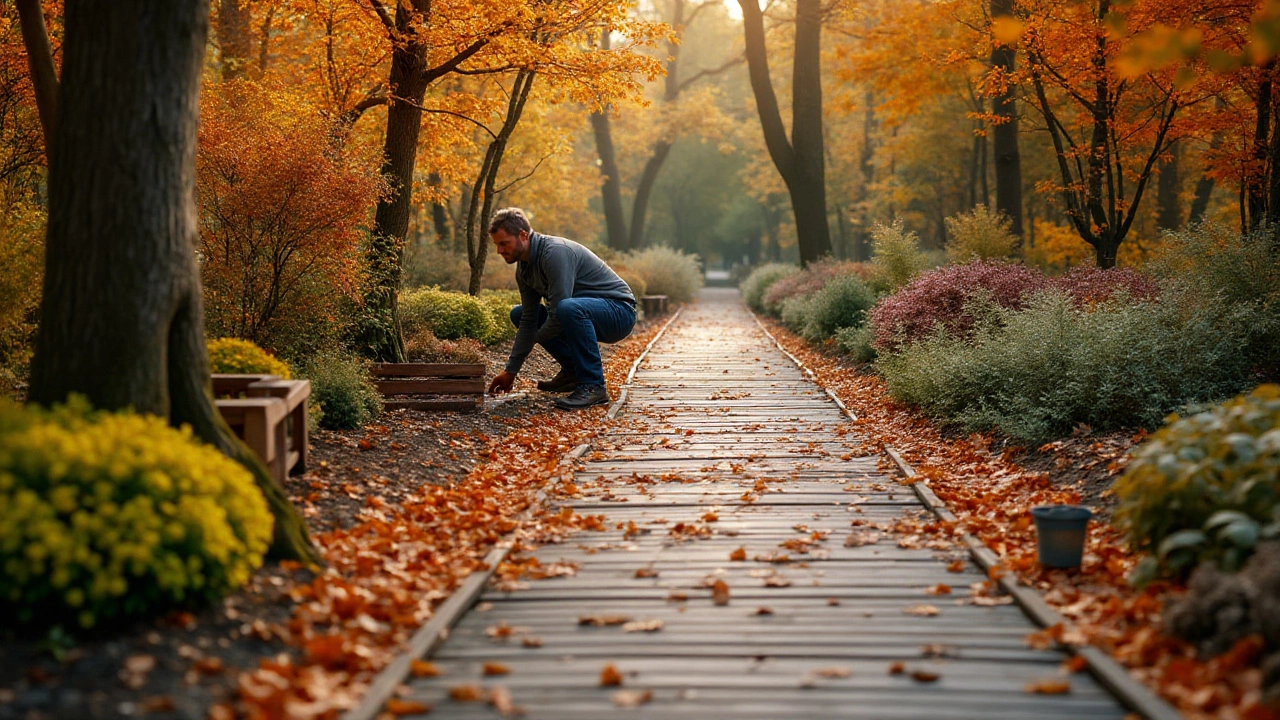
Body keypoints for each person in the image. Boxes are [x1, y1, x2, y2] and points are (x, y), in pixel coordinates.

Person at [485, 207, 637, 410]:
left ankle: (593, 385)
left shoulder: (555, 253)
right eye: (497, 245)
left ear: (523, 235)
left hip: (619, 312)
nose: (500, 251)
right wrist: (510, 371)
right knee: (519, 313)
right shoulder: (524, 269)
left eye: (504, 243)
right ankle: (573, 372)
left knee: (567, 308)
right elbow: (529, 319)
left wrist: (532, 340)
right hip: (581, 312)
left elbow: (557, 315)